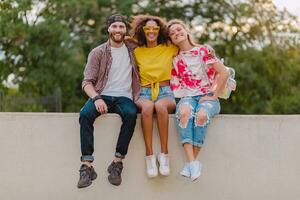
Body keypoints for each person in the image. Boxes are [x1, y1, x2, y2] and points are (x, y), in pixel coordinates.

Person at [77, 14, 140, 188]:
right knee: (85, 115)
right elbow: (87, 82)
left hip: (124, 97)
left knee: (131, 114)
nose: (118, 30)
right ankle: (87, 166)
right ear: (108, 29)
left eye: (121, 27)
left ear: (125, 30)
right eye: (115, 27)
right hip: (102, 94)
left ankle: (117, 163)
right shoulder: (98, 52)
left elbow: (154, 39)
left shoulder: (133, 48)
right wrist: (96, 97)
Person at [167, 19, 229, 181]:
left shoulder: (203, 51)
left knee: (201, 116)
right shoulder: (174, 58)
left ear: (186, 31)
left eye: (178, 29)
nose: (176, 33)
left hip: (207, 96)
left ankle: (190, 164)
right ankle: (193, 163)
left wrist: (213, 95)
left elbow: (224, 73)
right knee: (184, 112)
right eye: (172, 33)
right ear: (171, 40)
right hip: (187, 97)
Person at [130, 15, 178, 178]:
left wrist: (205, 48)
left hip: (165, 92)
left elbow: (186, 45)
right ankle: (149, 156)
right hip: (144, 92)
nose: (151, 31)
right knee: (148, 107)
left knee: (160, 106)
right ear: (142, 31)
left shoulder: (169, 48)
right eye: (147, 28)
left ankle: (164, 155)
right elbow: (123, 42)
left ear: (160, 31)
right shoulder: (137, 52)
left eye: (155, 28)